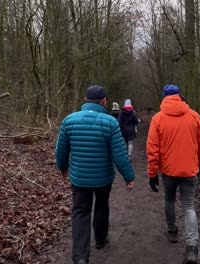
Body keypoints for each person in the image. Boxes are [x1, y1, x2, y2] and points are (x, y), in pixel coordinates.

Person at [55, 85, 135, 264]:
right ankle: (100, 239)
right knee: (101, 205)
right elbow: (119, 155)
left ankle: (80, 256)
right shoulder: (110, 122)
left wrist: (62, 166)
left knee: (80, 212)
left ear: (85, 100)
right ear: (104, 101)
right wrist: (128, 176)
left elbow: (61, 149)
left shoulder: (69, 120)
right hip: (103, 178)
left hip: (79, 177)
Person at [146, 84, 200, 264]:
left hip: (168, 171)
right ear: (180, 96)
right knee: (189, 206)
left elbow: (152, 150)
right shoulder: (194, 116)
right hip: (189, 170)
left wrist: (152, 174)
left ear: (164, 98)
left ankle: (172, 231)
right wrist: (198, 165)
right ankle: (192, 247)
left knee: (169, 200)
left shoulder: (158, 119)